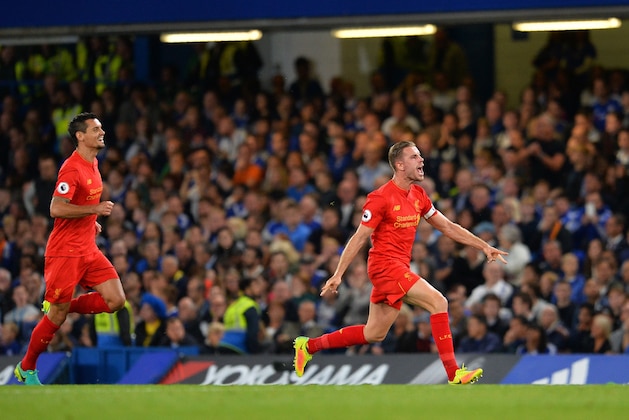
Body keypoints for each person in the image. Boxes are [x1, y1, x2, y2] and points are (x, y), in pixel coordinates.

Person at [293, 141, 508, 385]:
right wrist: (338, 273)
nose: (422, 160)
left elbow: (447, 226)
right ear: (400, 164)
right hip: (384, 267)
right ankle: (454, 373)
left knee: (373, 333)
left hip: (399, 269)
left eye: (420, 155)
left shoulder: (419, 195)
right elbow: (360, 237)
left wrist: (483, 246)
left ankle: (308, 346)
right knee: (439, 302)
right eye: (415, 157)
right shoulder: (380, 198)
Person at [14, 112, 126, 385]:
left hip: (87, 248)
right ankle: (26, 368)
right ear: (80, 136)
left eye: (101, 127)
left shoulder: (94, 163)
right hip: (65, 252)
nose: (102, 132)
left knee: (116, 301)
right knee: (57, 316)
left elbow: (76, 206)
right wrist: (95, 209)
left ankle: (61, 306)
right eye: (96, 129)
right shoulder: (71, 168)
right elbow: (56, 207)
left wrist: (91, 221)